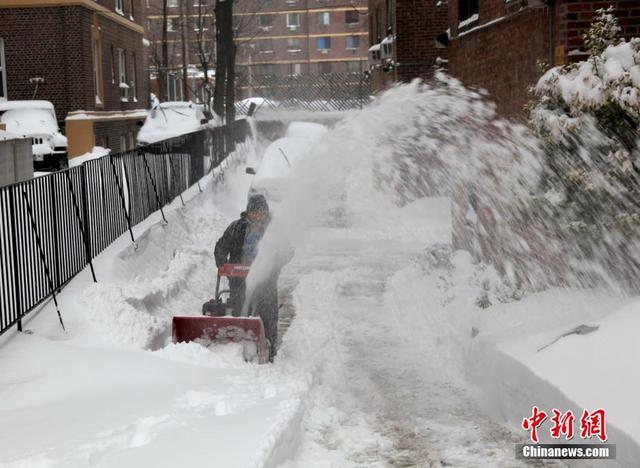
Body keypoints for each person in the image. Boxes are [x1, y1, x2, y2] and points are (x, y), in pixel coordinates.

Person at [214, 194, 292, 361]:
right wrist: (222, 263)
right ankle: (235, 349)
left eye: (261, 212)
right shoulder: (236, 228)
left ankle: (269, 351)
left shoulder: (274, 231)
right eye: (254, 212)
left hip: (266, 282)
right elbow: (221, 246)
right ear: (248, 212)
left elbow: (288, 251)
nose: (258, 216)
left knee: (268, 316)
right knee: (237, 311)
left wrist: (274, 263)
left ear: (266, 213)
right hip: (238, 280)